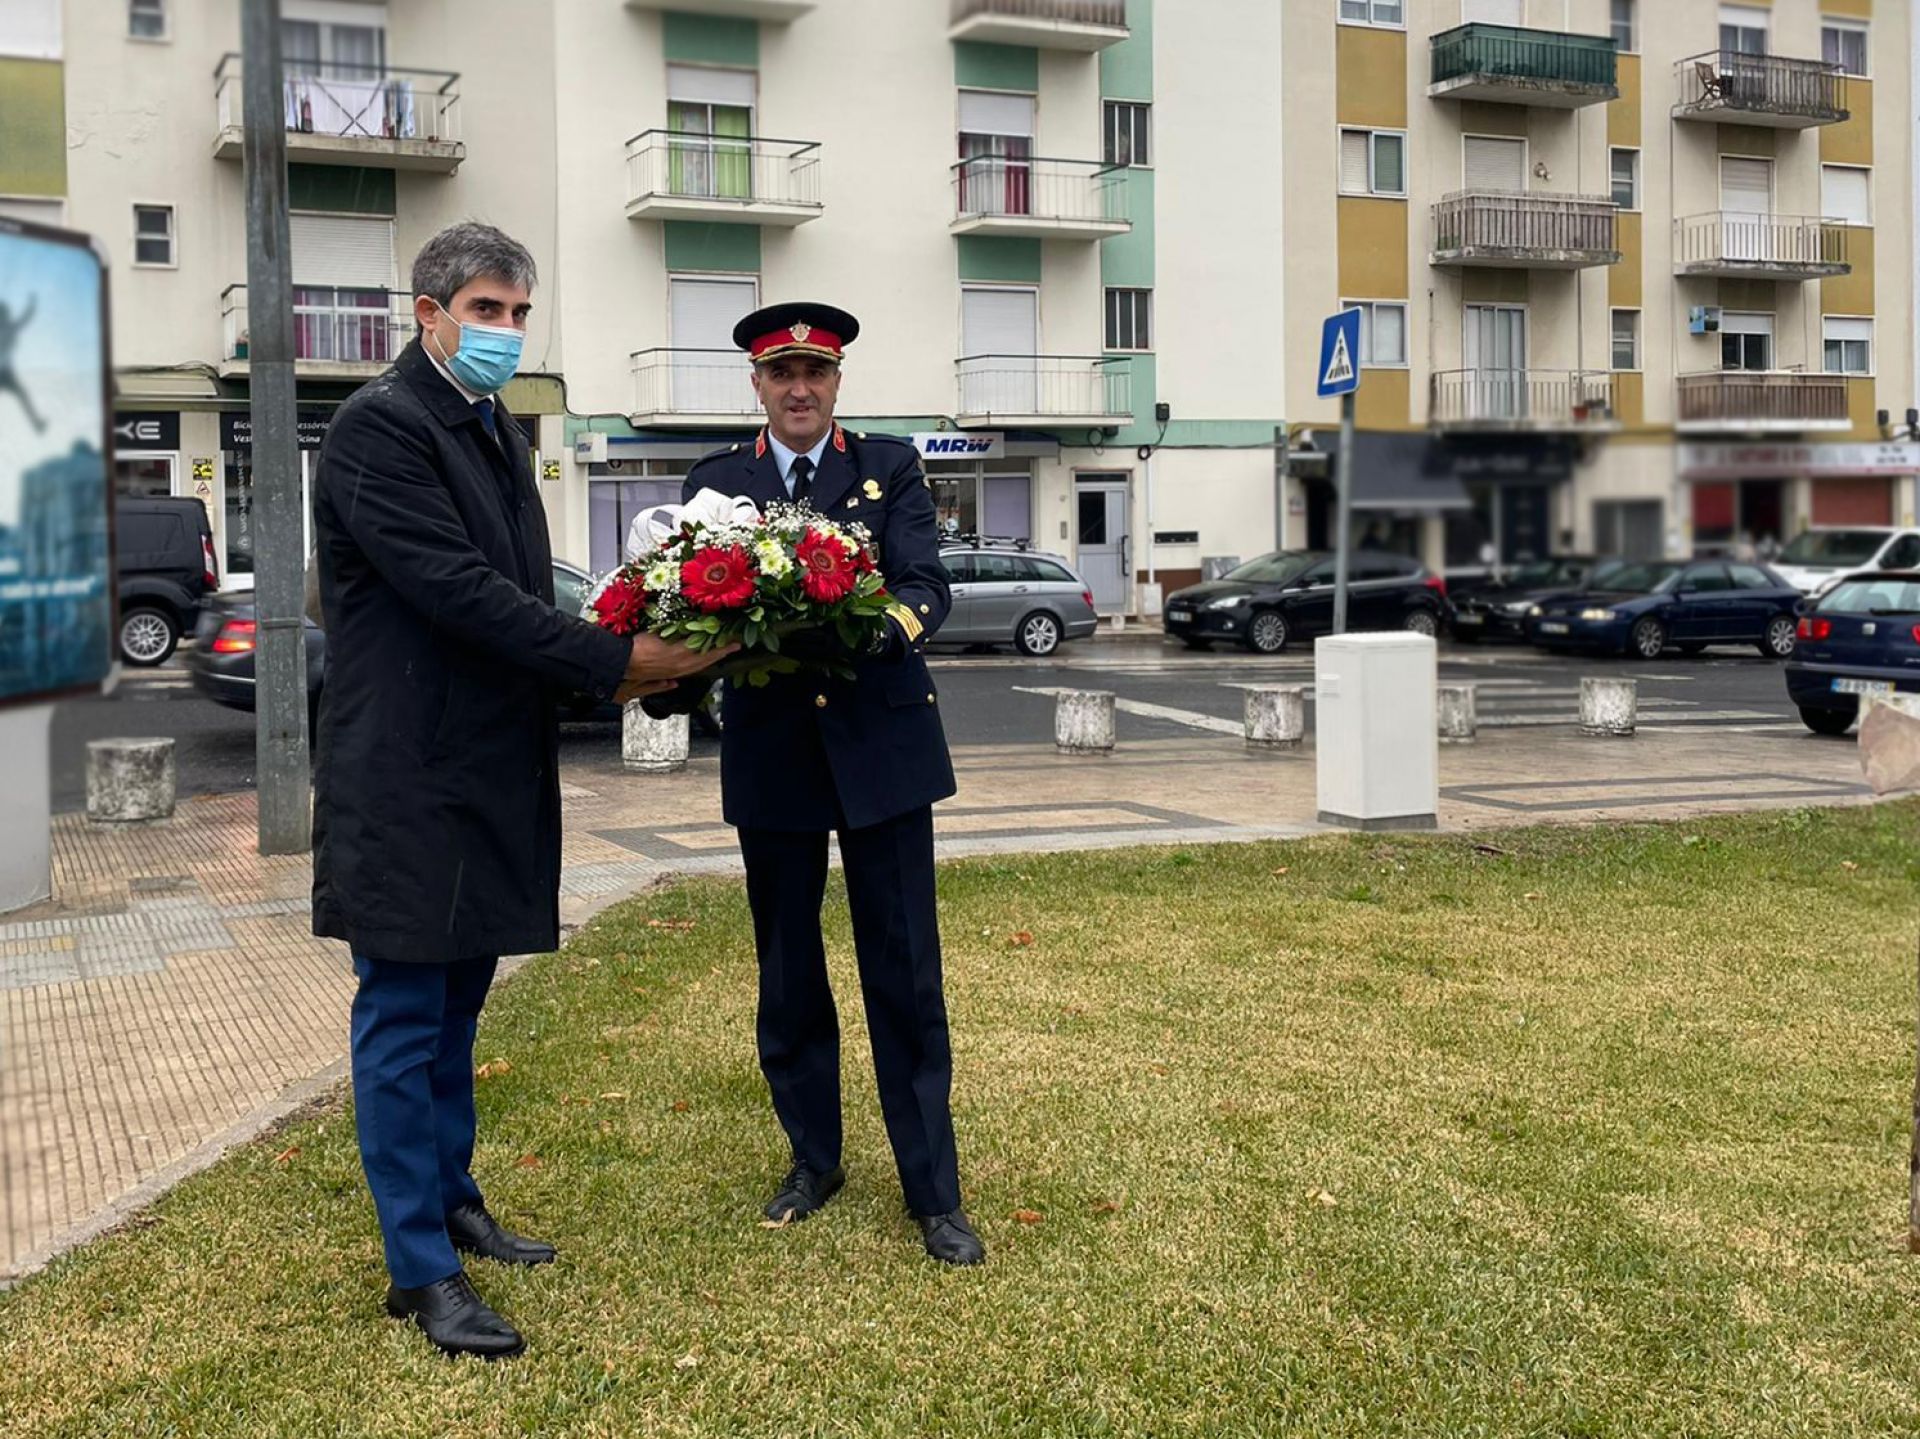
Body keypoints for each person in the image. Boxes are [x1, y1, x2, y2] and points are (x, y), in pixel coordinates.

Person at [311, 222, 727, 1360]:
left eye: (518, 313)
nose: (504, 331)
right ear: (427, 312)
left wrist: (641, 634)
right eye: (485, 310)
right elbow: (453, 591)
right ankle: (419, 1268)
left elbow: (517, 588)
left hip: (486, 761)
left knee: (456, 1008)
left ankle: (452, 1197)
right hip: (403, 773)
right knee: (402, 1013)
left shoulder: (494, 425)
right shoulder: (377, 431)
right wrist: (614, 663)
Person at [647, 301, 984, 1266]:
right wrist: (670, 676)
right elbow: (692, 604)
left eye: (817, 373)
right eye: (781, 373)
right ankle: (813, 1158)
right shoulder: (719, 482)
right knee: (789, 971)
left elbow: (927, 584)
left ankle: (934, 1190)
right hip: (775, 751)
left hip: (882, 745)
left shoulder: (889, 467)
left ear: (838, 384)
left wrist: (881, 627)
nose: (800, 389)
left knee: (903, 970)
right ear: (756, 384)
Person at [0, 297, 46, 433]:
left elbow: (25, 319)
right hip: (7, 374)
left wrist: (32, 305)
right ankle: (37, 423)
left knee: (23, 395)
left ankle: (37, 424)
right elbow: (25, 320)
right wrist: (32, 305)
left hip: (7, 374)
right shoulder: (11, 327)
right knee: (23, 395)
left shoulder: (11, 327)